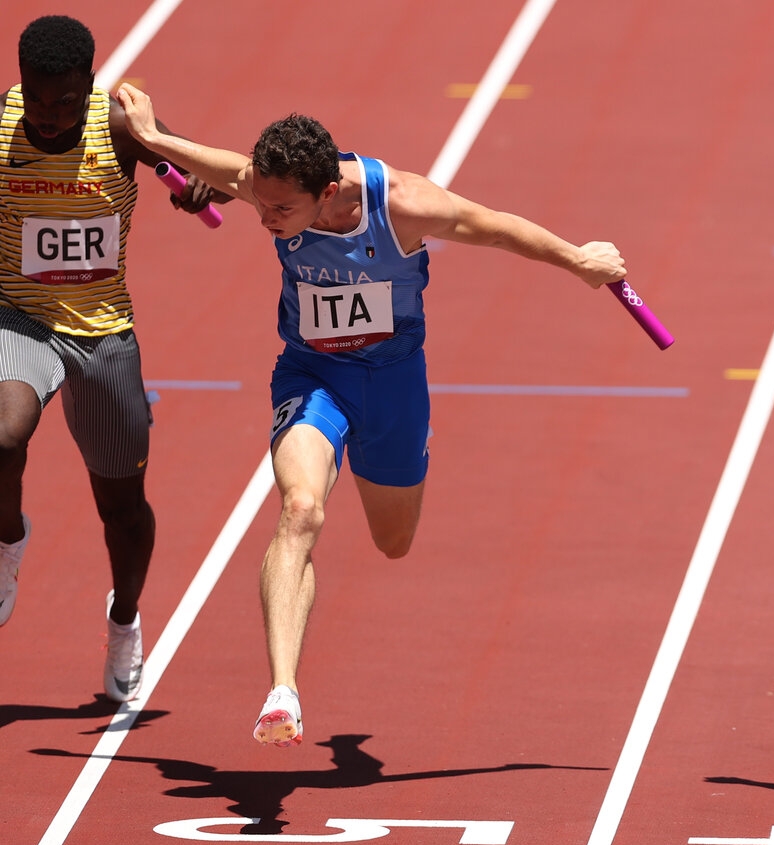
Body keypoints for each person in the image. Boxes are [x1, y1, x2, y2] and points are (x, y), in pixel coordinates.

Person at [114, 84, 626, 746]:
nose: (264, 217)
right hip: (312, 377)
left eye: (280, 209)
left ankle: (396, 460)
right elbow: (223, 167)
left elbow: (498, 227)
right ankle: (282, 693)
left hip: (393, 384)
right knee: (301, 510)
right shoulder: (266, 187)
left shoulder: (404, 204)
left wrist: (581, 259)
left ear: (327, 192)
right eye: (260, 202)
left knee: (394, 542)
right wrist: (153, 137)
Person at [0, 15, 227, 701]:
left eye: (65, 101)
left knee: (123, 511)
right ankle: (7, 542)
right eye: (37, 99)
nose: (48, 115)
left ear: (90, 85)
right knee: (2, 437)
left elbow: (211, 174)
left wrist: (199, 188)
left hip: (102, 332)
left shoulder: (123, 127)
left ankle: (124, 620)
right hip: (19, 317)